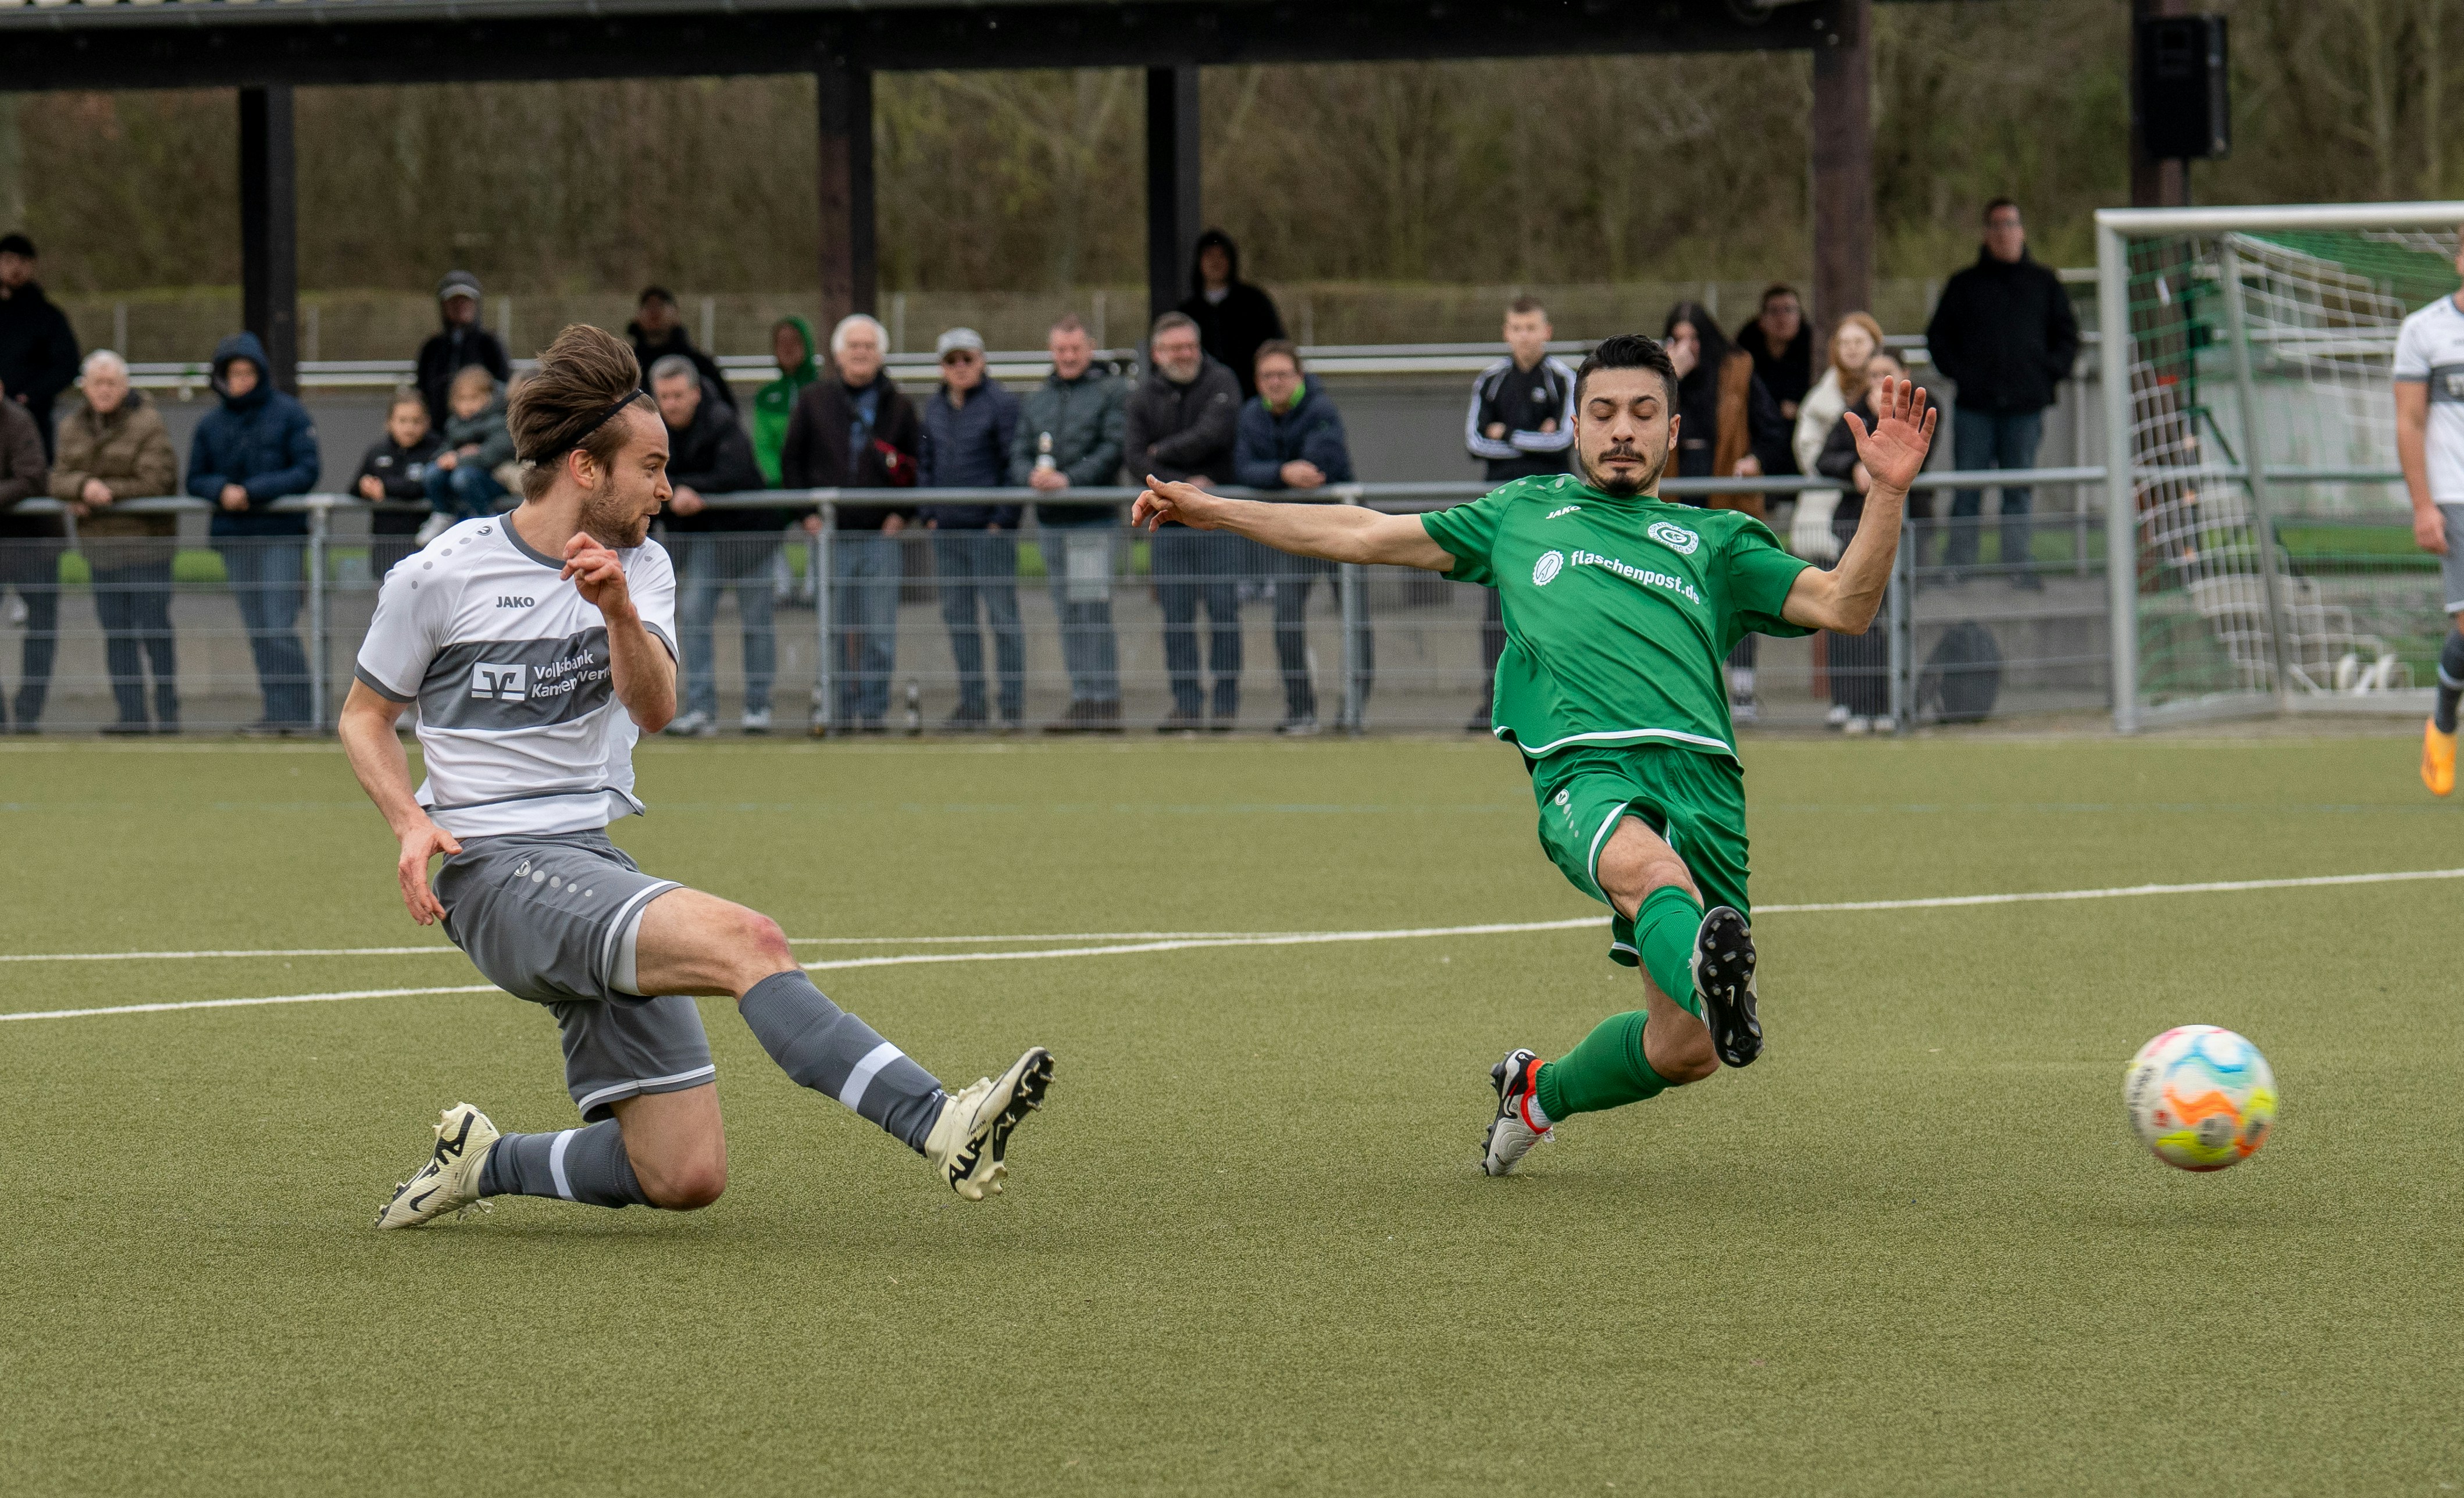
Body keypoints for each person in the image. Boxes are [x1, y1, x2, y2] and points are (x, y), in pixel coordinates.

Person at [1128, 334, 1936, 1178]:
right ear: (1575, 428)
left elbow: (1845, 603)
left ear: (1672, 431)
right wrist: (1216, 508)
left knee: (1684, 1051)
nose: (1621, 430)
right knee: (1655, 879)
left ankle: (1538, 1094)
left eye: (1642, 413)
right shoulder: (1520, 515)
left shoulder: (1719, 541)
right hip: (1585, 770)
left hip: (1706, 786)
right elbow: (1363, 533)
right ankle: (1709, 974)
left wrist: (1885, 491)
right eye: (1603, 413)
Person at [342, 323, 1052, 1231]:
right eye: (651, 466)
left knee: (681, 1170)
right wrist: (408, 820)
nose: (667, 489)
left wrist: (617, 615)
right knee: (748, 941)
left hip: (588, 860)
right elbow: (365, 716)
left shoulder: (643, 566)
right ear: (585, 468)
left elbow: (655, 708)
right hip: (492, 871)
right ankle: (940, 1121)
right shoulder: (439, 574)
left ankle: (486, 1160)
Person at [1923, 198, 2081, 588]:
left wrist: (2044, 376)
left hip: (2025, 409)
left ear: (2021, 230)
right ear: (1985, 233)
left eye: (2010, 223)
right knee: (1966, 490)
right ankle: (1957, 565)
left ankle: (2018, 565)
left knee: (2018, 490)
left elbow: (2067, 338)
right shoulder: (1963, 285)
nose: (2003, 232)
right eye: (1995, 225)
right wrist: (1963, 373)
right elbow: (1938, 339)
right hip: (1974, 407)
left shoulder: (2044, 284)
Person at [782, 313, 921, 733]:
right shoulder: (813, 400)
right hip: (830, 537)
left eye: (868, 347)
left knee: (879, 632)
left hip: (880, 537)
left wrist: (902, 514)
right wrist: (806, 516)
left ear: (880, 355)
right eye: (854, 347)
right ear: (838, 355)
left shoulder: (899, 406)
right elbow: (792, 462)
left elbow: (916, 465)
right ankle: (838, 713)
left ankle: (874, 713)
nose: (861, 354)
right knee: (834, 631)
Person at [1663, 301, 1791, 722]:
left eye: (1694, 338)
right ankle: (1690, 689)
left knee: (1731, 590)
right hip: (1676, 494)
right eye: (1677, 339)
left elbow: (1772, 430)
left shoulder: (1738, 368)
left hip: (1725, 492)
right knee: (1679, 595)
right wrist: (1670, 376)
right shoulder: (1658, 377)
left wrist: (1755, 459)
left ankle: (1742, 692)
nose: (1687, 348)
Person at [188, 332, 320, 734]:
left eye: (247, 372)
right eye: (233, 373)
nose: (240, 380)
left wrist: (254, 492)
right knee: (259, 631)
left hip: (279, 534)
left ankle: (302, 714)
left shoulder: (290, 414)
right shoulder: (210, 424)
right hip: (235, 537)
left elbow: (306, 471)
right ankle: (276, 713)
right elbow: (194, 478)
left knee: (279, 626)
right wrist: (222, 491)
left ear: (259, 373)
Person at [1233, 340, 1367, 734]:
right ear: (1257, 381)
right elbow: (1243, 468)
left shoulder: (1321, 409)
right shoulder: (1250, 416)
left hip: (1341, 525)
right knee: (1285, 617)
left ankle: (1353, 711)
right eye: (1267, 376)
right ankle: (1300, 711)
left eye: (1283, 375)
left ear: (1299, 376)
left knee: (1354, 620)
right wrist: (1282, 473)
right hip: (1297, 530)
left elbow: (1320, 465)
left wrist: (1279, 472)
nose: (1275, 382)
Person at [1462, 297, 1578, 732]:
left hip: (1553, 510)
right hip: (1501, 512)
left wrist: (1507, 433)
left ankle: (1557, 701)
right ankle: (1493, 701)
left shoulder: (1563, 378)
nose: (1524, 335)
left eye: (1531, 327)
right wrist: (1532, 435)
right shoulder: (1490, 381)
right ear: (1505, 332)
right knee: (1496, 608)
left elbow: (1565, 438)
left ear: (1546, 332)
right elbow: (1475, 442)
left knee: (1554, 604)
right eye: (1516, 327)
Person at [1125, 311, 1243, 730]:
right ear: (1158, 354)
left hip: (1218, 523)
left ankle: (1227, 706)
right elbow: (1134, 458)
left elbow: (1216, 433)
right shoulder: (1142, 399)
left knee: (1224, 614)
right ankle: (1186, 706)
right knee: (1176, 619)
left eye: (1190, 345)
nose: (1185, 354)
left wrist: (1163, 457)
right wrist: (1178, 486)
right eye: (1176, 348)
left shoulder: (1221, 382)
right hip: (1169, 527)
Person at [1011, 315, 1128, 732]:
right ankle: (1082, 698)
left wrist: (1070, 480)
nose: (1068, 357)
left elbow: (1112, 448)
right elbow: (1019, 450)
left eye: (1075, 349)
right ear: (1051, 351)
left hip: (1091, 522)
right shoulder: (1037, 398)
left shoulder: (1109, 393)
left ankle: (1103, 701)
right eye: (1061, 350)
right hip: (1051, 523)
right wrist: (1030, 475)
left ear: (1089, 348)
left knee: (1091, 612)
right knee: (1067, 614)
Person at [55, 351, 182, 734]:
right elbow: (56, 477)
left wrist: (103, 490)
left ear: (125, 387)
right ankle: (132, 717)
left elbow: (157, 481)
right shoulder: (71, 426)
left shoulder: (149, 423)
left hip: (147, 550)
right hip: (102, 552)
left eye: (112, 383)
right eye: (98, 383)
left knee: (155, 633)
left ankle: (168, 714)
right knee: (117, 636)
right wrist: (80, 486)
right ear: (86, 387)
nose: (105, 390)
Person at [1817, 349, 1940, 734]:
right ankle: (1850, 702)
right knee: (1849, 610)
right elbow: (1824, 459)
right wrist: (1854, 466)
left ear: (1904, 373)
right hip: (1853, 525)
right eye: (1872, 376)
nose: (1878, 383)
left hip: (1905, 527)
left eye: (1886, 373)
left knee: (1889, 617)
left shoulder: (1921, 408)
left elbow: (1919, 456)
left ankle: (1888, 703)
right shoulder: (1853, 415)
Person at [650, 355, 774, 737]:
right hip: (708, 538)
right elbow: (649, 475)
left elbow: (734, 473)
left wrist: (693, 490)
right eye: (664, 396)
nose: (671, 404)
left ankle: (758, 708)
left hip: (751, 537)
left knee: (756, 623)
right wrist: (677, 494)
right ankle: (702, 710)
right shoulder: (654, 432)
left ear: (695, 393)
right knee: (694, 613)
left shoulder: (722, 422)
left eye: (678, 395)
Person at [918, 327, 1025, 732]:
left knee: (1003, 621)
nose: (960, 368)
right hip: (948, 533)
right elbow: (924, 462)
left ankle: (1012, 708)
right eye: (952, 361)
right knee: (959, 622)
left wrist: (1002, 518)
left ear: (981, 360)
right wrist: (929, 512)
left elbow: (1012, 463)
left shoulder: (1001, 404)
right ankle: (972, 705)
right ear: (942, 367)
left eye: (967, 359)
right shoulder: (934, 407)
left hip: (989, 532)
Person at [2401, 229, 2464, 797]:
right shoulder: (2424, 330)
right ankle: (2444, 720)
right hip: (2454, 493)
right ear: (2461, 260)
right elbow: (2410, 421)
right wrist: (2423, 504)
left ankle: (2444, 713)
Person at [1177, 229, 1286, 402]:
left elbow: (1276, 347)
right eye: (1209, 256)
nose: (1216, 262)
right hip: (1201, 400)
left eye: (1222, 256)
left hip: (1251, 397)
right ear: (1199, 262)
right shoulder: (1187, 313)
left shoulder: (1255, 303)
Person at [0, 378, 53, 732]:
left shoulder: (18, 421)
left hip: (32, 543)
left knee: (42, 628)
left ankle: (28, 713)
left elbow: (32, 477)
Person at [0, 233, 81, 459]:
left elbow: (68, 364)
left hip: (32, 418)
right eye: (8, 261)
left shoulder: (47, 316)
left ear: (32, 266)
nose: (15, 269)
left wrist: (30, 395)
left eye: (22, 262)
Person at [356, 388, 447, 579]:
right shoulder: (377, 451)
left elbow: (421, 486)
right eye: (403, 421)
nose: (409, 428)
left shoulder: (437, 449)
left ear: (427, 422)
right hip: (386, 543)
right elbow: (355, 487)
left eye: (416, 421)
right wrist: (365, 487)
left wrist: (385, 488)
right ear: (390, 422)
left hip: (426, 545)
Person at [412, 272, 511, 432]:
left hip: (482, 436)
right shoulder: (431, 348)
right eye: (453, 301)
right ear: (443, 305)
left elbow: (503, 390)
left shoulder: (490, 345)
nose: (460, 306)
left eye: (466, 300)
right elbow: (421, 392)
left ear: (476, 304)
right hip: (437, 434)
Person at [1792, 312, 1883, 480]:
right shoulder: (1820, 397)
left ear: (1875, 344)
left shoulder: (1889, 387)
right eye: (1844, 343)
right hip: (1828, 488)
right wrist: (1849, 470)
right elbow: (1808, 447)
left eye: (1859, 342)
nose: (1852, 348)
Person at [422, 365, 516, 523]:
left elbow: (496, 452)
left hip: (491, 478)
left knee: (462, 478)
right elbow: (447, 447)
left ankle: (484, 520)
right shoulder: (454, 424)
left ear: (489, 397)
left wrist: (460, 459)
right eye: (462, 399)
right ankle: (443, 515)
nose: (467, 405)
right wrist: (441, 459)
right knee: (432, 472)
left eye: (473, 398)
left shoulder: (499, 420)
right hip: (460, 478)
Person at [628, 287, 733, 411]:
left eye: (660, 306)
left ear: (676, 314)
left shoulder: (701, 365)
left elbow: (725, 411)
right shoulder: (628, 366)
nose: (654, 312)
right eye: (648, 307)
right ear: (638, 316)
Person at [1733, 284, 1813, 444]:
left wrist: (1800, 410)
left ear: (1800, 317)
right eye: (1774, 311)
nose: (1781, 318)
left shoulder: (1813, 350)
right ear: (1761, 320)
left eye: (1789, 310)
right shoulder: (1745, 351)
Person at [751, 316, 819, 486]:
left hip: (818, 485)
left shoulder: (823, 391)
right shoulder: (767, 397)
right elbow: (763, 447)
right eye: (781, 342)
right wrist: (781, 479)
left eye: (794, 341)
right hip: (779, 489)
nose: (787, 348)